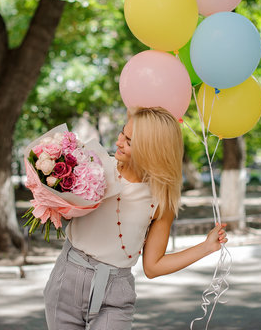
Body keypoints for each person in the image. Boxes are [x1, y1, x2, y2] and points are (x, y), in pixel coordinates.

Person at [44, 107, 228, 330]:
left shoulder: (161, 200)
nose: (119, 142)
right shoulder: (94, 168)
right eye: (123, 133)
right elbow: (66, 208)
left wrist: (206, 247)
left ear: (151, 151)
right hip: (68, 279)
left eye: (129, 141)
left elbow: (153, 266)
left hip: (116, 294)